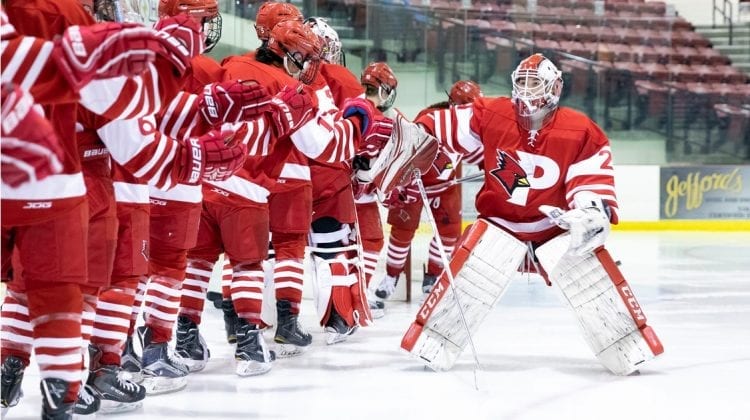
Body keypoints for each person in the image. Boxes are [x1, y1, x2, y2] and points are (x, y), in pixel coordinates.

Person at [401, 54, 662, 375]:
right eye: (521, 82)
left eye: (534, 83)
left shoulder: (580, 130)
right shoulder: (493, 113)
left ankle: (627, 349)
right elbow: (444, 124)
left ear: (555, 87)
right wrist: (413, 134)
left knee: (593, 283)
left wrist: (590, 214)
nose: (526, 91)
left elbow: (591, 180)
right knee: (468, 281)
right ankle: (434, 344)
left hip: (554, 229)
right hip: (499, 225)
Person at [0, 1, 194, 417]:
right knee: (89, 287)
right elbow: (134, 138)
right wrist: (191, 160)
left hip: (29, 168)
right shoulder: (78, 25)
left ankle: (10, 361)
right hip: (92, 185)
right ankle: (102, 369)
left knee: (25, 281)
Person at [374, 80, 484, 318]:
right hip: (415, 184)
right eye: (468, 107)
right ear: (455, 104)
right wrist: (404, 186)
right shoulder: (432, 118)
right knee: (403, 231)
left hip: (444, 186)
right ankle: (391, 276)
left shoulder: (474, 125)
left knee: (450, 232)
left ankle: (432, 275)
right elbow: (410, 152)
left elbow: (482, 153)